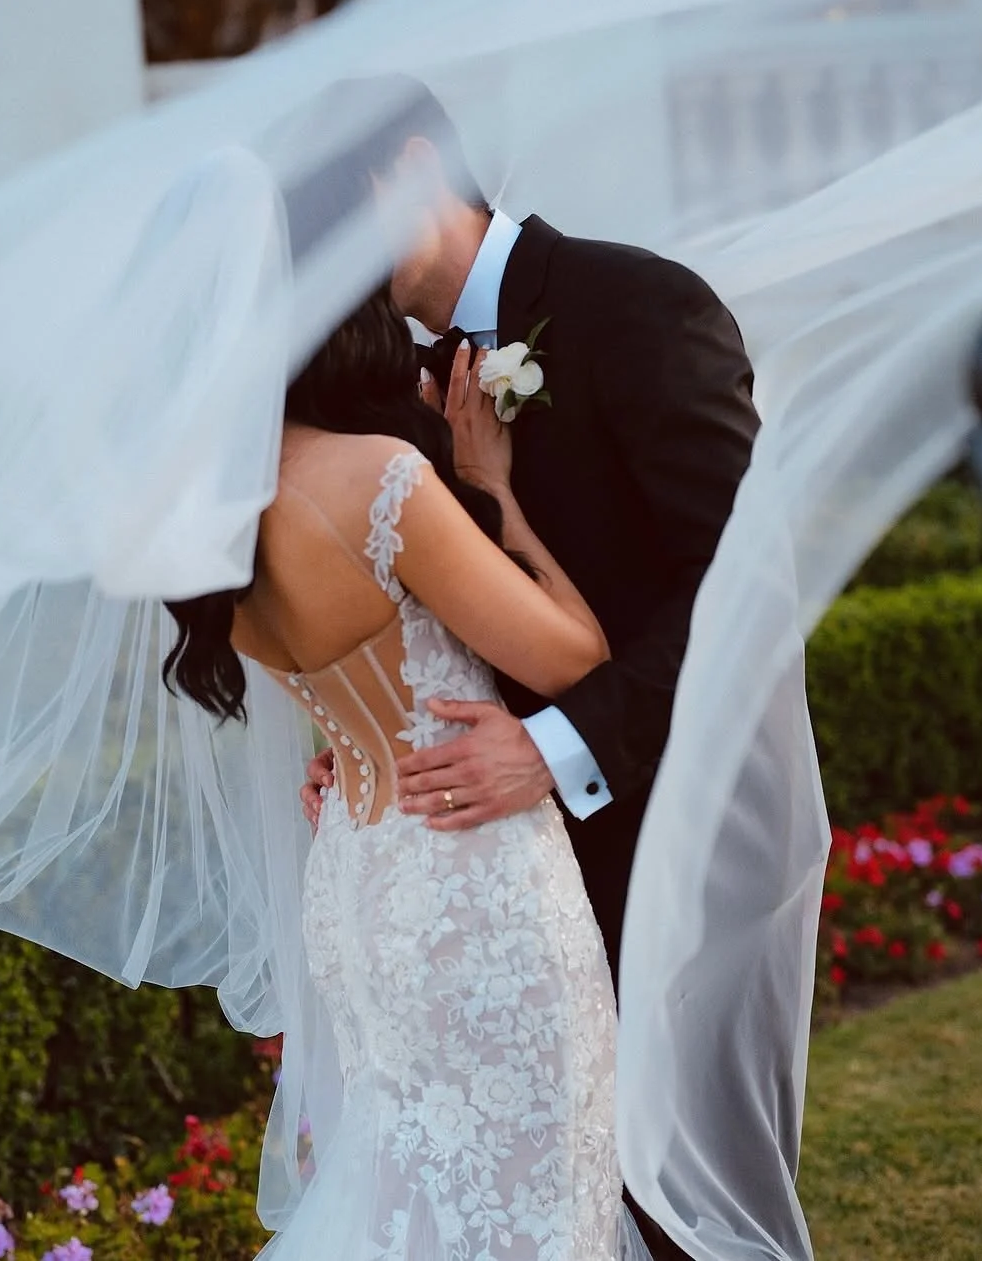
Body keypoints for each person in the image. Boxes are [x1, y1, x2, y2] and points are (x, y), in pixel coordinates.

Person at [296, 77, 760, 1261]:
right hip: (474, 889)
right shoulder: (374, 380)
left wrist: (554, 748)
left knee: (673, 1215)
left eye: (331, 219)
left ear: (412, 168)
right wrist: (357, 735)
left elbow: (745, 591)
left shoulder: (638, 305)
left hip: (657, 839)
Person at [164, 279, 651, 1260]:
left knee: (412, 1199)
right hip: (472, 876)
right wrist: (492, 487)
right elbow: (576, 658)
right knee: (545, 1204)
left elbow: (341, 687)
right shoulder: (379, 476)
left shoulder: (205, 522)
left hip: (353, 878)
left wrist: (344, 749)